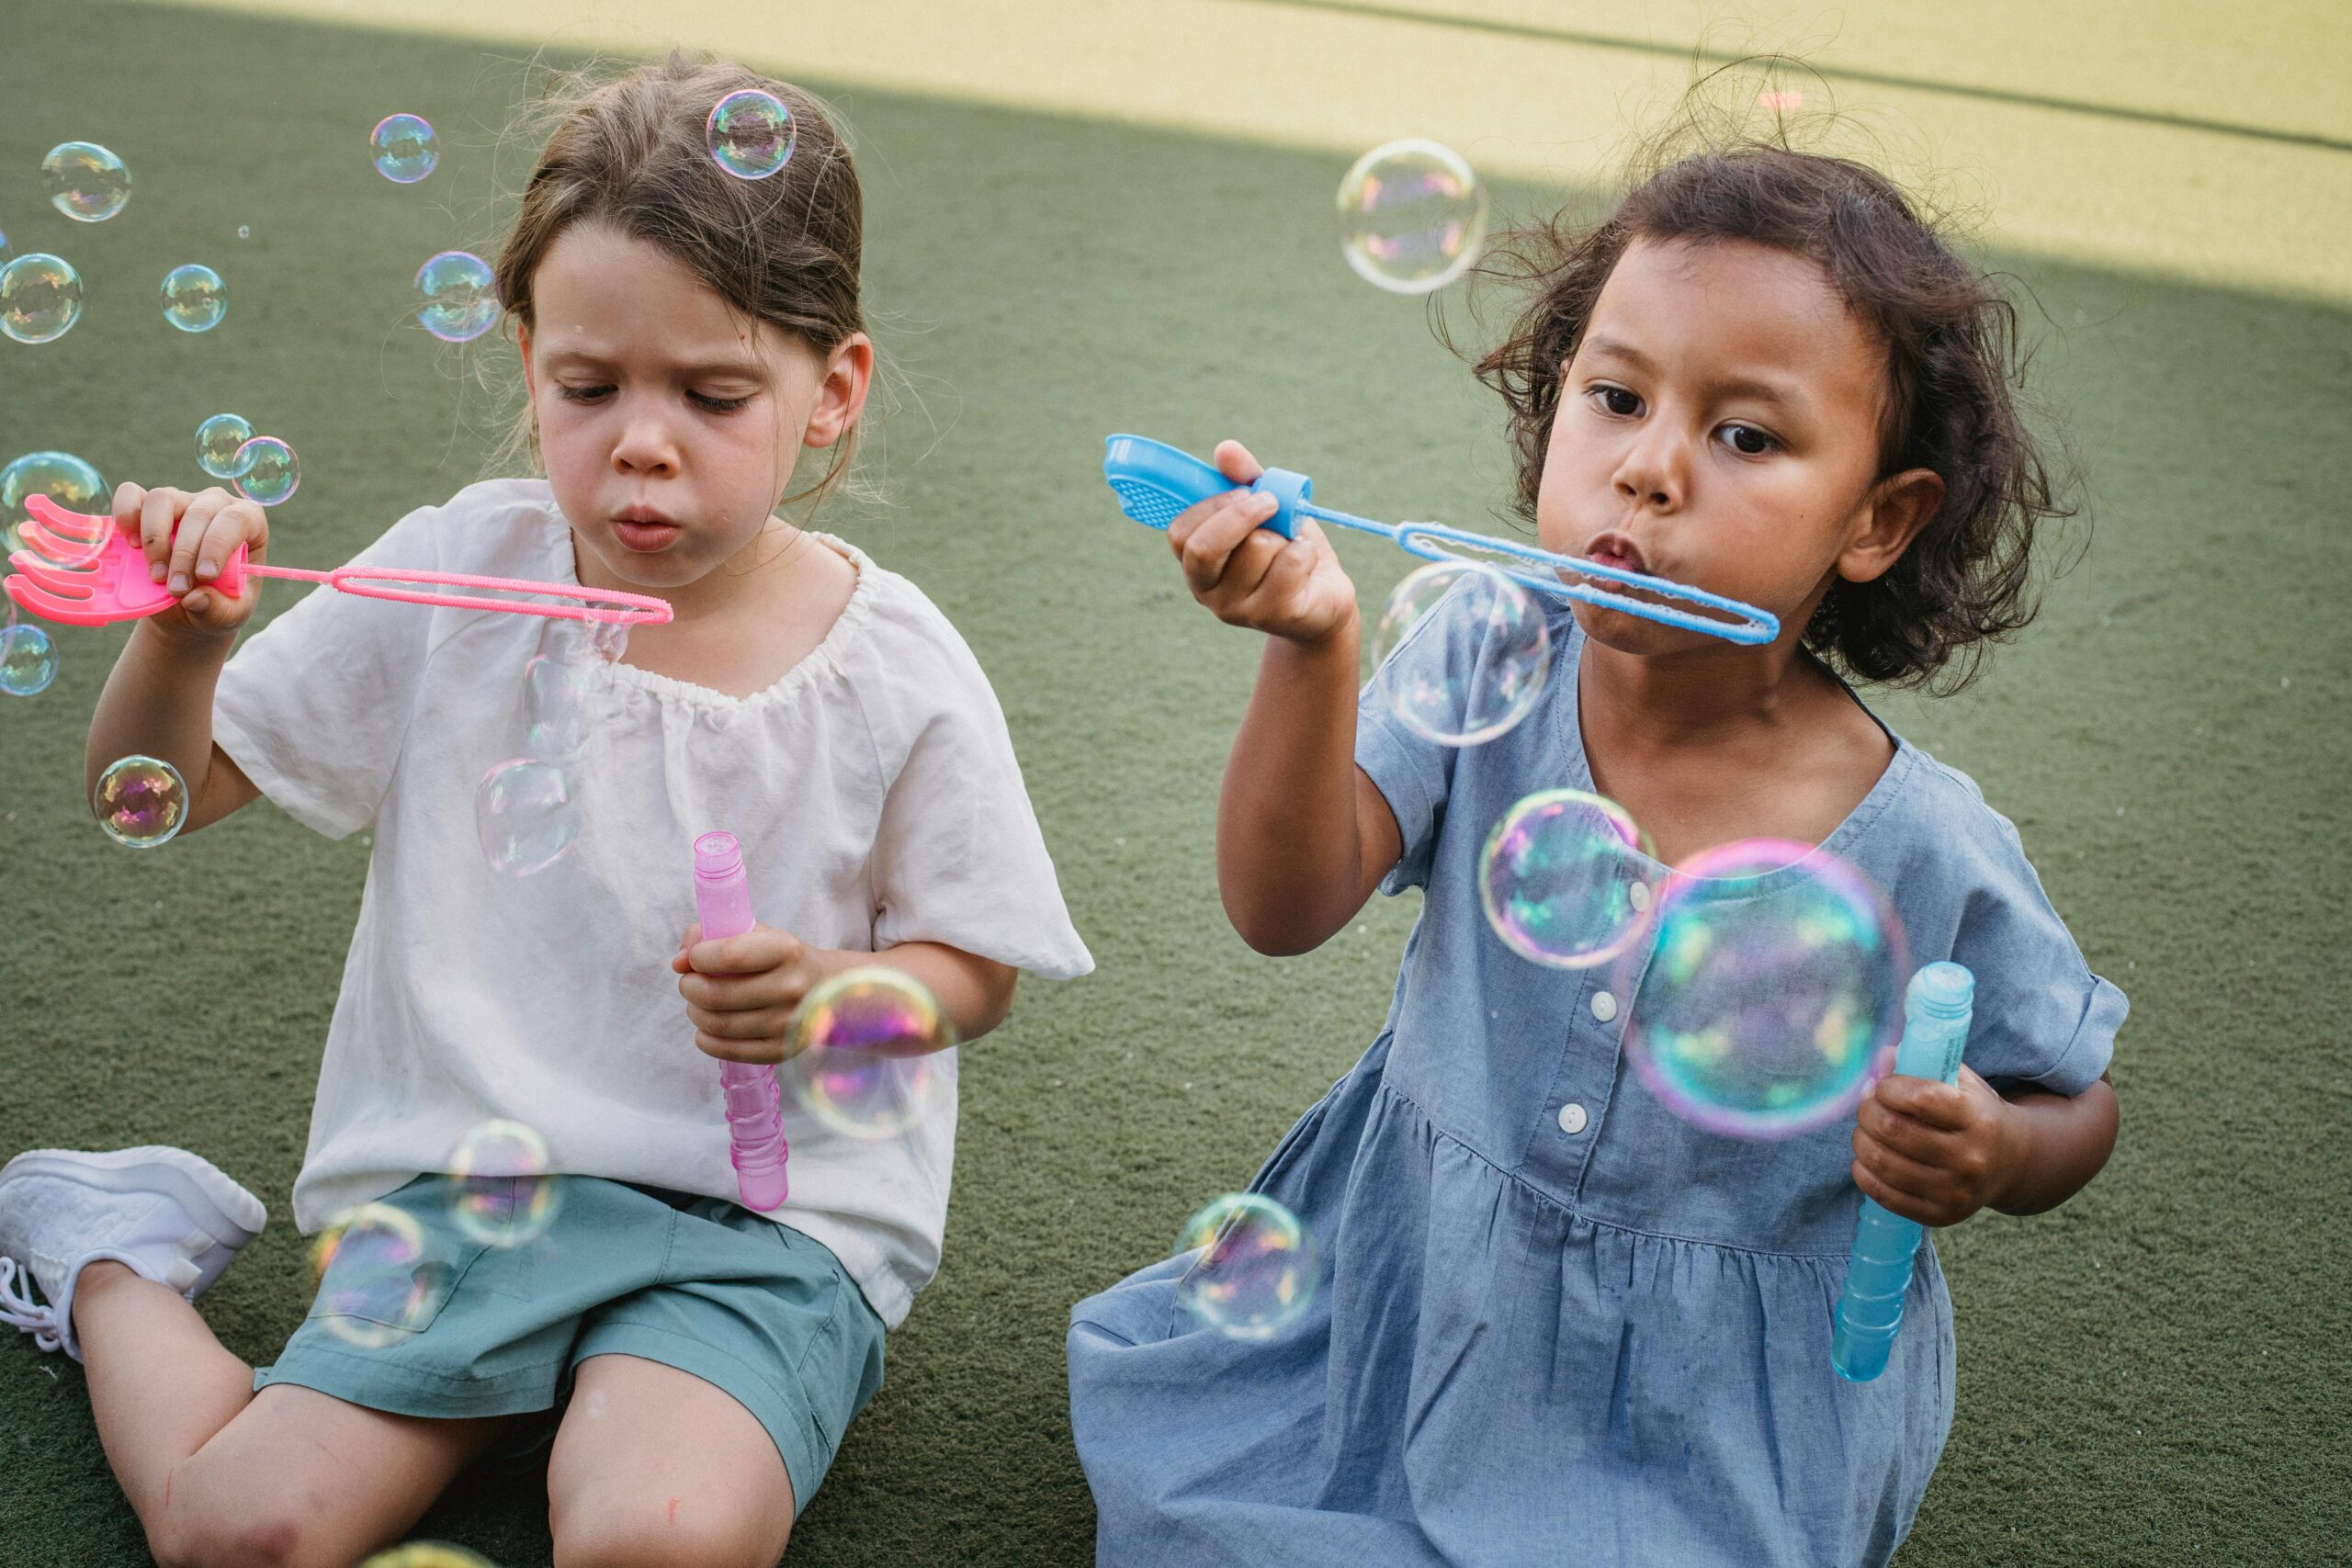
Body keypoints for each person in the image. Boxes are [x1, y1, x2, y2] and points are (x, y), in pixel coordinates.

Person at [0, 53, 1089, 1568]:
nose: (641, 442)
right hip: (468, 1180)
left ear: (830, 390)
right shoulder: (466, 571)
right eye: (588, 387)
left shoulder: (892, 666)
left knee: (660, 1541)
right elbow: (166, 793)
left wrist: (837, 994)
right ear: (525, 360)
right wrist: (186, 631)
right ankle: (109, 1252)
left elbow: (975, 973)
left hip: (763, 1229)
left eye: (714, 395)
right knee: (240, 1534)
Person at [1068, 135, 2124, 1567]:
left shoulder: (1923, 840)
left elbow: (2075, 1103)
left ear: (1878, 520)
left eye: (1745, 436)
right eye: (1615, 397)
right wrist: (1314, 646)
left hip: (1709, 1410)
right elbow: (1282, 905)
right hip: (1411, 1293)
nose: (1647, 470)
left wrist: (1997, 1151)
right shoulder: (1486, 650)